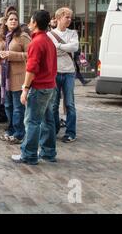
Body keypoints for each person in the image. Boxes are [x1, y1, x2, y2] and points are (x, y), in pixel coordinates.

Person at [11, 10, 57, 165]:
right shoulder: (48, 40)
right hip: (50, 86)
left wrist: (25, 88)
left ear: (35, 22)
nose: (29, 23)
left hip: (39, 87)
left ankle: (29, 154)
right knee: (47, 121)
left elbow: (31, 69)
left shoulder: (36, 43)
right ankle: (48, 152)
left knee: (32, 121)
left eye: (31, 20)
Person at [0, 11, 31, 144]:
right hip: (4, 77)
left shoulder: (23, 36)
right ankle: (12, 129)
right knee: (8, 105)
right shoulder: (0, 37)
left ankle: (19, 133)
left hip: (18, 77)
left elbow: (30, 54)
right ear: (6, 22)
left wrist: (12, 55)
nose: (13, 21)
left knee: (18, 107)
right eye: (11, 19)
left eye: (15, 19)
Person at [48, 7, 79, 143]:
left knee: (70, 103)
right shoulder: (50, 34)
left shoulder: (72, 33)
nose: (69, 20)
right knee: (54, 104)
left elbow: (74, 47)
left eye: (70, 17)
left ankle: (71, 132)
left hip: (69, 73)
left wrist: (59, 46)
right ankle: (54, 130)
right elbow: (51, 51)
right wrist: (64, 46)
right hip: (55, 72)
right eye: (67, 17)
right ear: (59, 17)